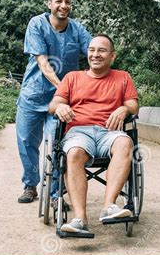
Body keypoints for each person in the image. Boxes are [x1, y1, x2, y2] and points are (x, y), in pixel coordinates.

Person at [49, 34, 139, 234]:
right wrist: (60, 107)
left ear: (112, 56)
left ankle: (109, 207)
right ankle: (80, 219)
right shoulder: (72, 77)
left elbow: (133, 104)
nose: (95, 54)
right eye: (92, 50)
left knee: (125, 144)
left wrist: (123, 109)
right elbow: (53, 105)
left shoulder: (123, 77)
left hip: (110, 132)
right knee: (73, 153)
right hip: (79, 132)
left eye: (101, 50)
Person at [16, 0, 92, 204]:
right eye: (59, 1)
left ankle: (55, 194)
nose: (63, 6)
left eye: (67, 2)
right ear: (49, 4)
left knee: (57, 143)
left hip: (60, 101)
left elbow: (93, 53)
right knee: (26, 142)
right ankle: (30, 185)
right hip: (34, 94)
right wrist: (63, 87)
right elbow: (42, 62)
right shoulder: (37, 24)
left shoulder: (77, 30)